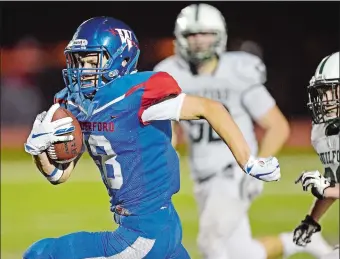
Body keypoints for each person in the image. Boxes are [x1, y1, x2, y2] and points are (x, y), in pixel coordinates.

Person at [22, 16, 281, 259]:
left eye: (92, 62)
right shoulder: (78, 104)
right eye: (79, 62)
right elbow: (59, 175)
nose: (83, 71)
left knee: (41, 253)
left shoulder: (137, 95)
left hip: (144, 233)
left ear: (120, 61)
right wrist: (40, 148)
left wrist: (249, 162)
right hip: (159, 225)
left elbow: (211, 108)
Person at [154, 3, 332, 259]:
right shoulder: (171, 73)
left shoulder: (237, 72)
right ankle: (301, 242)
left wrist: (256, 166)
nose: (199, 41)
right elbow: (167, 132)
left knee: (210, 243)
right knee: (241, 252)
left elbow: (277, 126)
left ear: (220, 36)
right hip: (202, 176)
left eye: (205, 34)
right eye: (192, 35)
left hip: (234, 172)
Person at [294, 51, 340, 259]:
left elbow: (331, 189)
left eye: (331, 90)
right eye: (321, 92)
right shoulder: (326, 131)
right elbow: (335, 183)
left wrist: (327, 189)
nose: (324, 98)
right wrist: (312, 220)